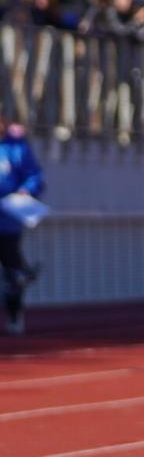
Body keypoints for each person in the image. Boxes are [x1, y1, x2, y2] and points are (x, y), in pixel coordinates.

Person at [0, 118, 46, 335]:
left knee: (11, 271)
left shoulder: (16, 148)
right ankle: (24, 272)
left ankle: (14, 315)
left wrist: (26, 190)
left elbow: (35, 177)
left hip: (8, 221)